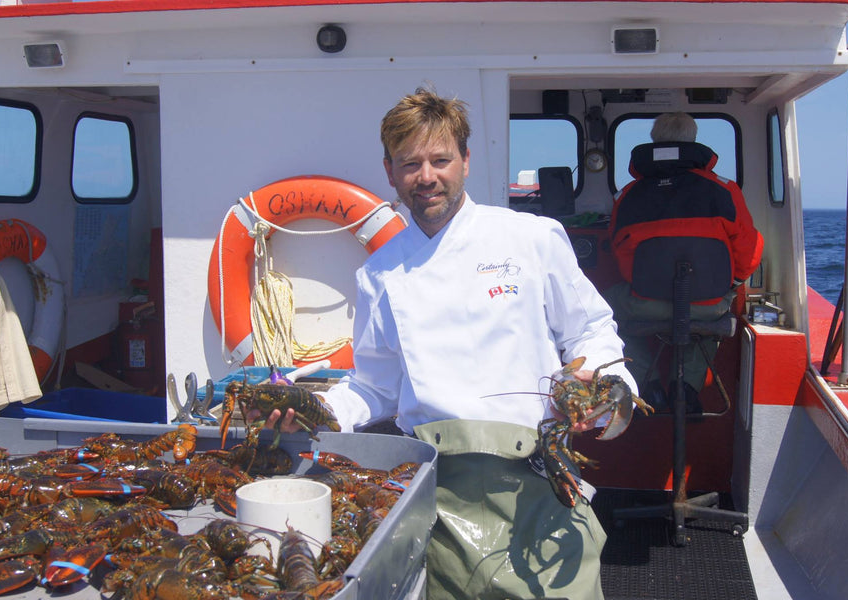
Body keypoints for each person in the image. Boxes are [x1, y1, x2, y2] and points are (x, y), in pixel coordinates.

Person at [262, 86, 636, 600]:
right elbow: (374, 387)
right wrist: (318, 411)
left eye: (440, 159)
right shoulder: (379, 272)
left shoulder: (532, 238)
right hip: (433, 489)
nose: (426, 176)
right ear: (390, 172)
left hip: (537, 476)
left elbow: (592, 331)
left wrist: (602, 384)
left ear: (465, 160)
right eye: (409, 163)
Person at [606, 112, 763, 414]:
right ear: (693, 139)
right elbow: (750, 247)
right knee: (706, 312)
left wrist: (647, 285)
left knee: (604, 310)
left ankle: (646, 383)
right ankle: (687, 388)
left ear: (654, 140)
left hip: (646, 303)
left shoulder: (628, 195)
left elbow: (622, 256)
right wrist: (729, 285)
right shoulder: (725, 190)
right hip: (708, 305)